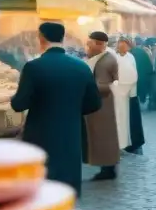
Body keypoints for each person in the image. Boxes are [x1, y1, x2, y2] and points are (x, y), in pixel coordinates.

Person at [11, 22, 101, 195]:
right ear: (62, 38)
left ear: (41, 38)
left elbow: (19, 104)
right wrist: (71, 110)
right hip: (71, 137)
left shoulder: (33, 67)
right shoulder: (81, 67)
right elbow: (95, 103)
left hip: (40, 137)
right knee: (68, 191)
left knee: (42, 192)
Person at [83, 32, 120, 181]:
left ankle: (108, 169)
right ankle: (107, 167)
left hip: (103, 105)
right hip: (100, 104)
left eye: (90, 43)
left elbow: (105, 86)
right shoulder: (101, 58)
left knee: (104, 137)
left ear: (99, 44)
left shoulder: (105, 61)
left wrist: (85, 86)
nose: (87, 47)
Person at [116, 38, 145, 154]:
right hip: (118, 92)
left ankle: (134, 143)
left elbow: (134, 73)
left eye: (125, 46)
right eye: (120, 45)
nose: (123, 48)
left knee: (132, 119)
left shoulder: (131, 57)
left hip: (131, 93)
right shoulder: (114, 57)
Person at [134, 37, 155, 108]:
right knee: (142, 88)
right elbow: (148, 64)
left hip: (133, 75)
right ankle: (142, 101)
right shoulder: (144, 52)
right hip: (142, 75)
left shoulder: (130, 52)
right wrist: (151, 72)